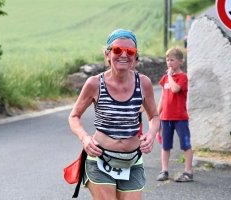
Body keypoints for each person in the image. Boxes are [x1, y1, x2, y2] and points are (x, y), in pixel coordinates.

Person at [68, 29, 159, 200]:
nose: (123, 55)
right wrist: (85, 138)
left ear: (135, 56)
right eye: (117, 50)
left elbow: (154, 116)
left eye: (130, 51)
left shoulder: (144, 83)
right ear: (108, 54)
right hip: (100, 158)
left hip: (132, 161)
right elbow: (74, 116)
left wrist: (151, 134)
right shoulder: (94, 83)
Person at [156, 46, 193, 182]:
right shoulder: (165, 78)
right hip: (166, 117)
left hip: (180, 118)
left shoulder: (182, 77)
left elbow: (175, 89)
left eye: (172, 60)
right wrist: (156, 115)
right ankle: (164, 170)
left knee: (185, 144)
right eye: (167, 60)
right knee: (165, 145)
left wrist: (170, 76)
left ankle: (188, 172)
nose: (169, 63)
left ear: (180, 61)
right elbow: (163, 97)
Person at [130, 54, 145, 137]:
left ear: (136, 62)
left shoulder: (141, 78)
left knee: (137, 138)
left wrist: (142, 106)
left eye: (132, 60)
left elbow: (144, 94)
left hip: (137, 116)